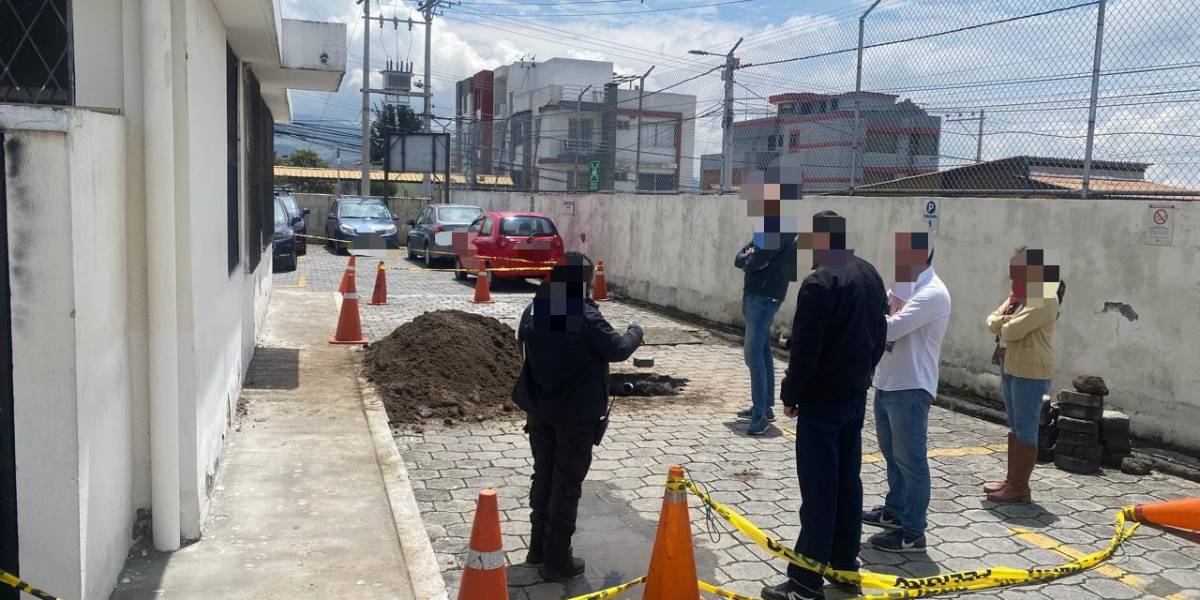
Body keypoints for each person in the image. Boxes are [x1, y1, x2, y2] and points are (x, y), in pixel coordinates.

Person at [762, 211, 889, 600]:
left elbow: (805, 350)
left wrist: (790, 394)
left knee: (819, 492)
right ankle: (844, 567)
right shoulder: (869, 274)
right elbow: (880, 334)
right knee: (848, 485)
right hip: (854, 396)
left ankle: (805, 581)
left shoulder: (820, 282)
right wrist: (864, 374)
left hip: (822, 402)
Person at [511, 251, 644, 580]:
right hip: (575, 416)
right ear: (583, 283)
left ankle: (537, 549)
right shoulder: (582, 313)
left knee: (544, 477)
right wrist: (636, 331)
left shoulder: (535, 309)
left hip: (540, 410)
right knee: (566, 485)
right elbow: (617, 348)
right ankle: (556, 561)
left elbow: (522, 346)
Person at [861, 232, 951, 553]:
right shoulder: (903, 287)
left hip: (912, 387)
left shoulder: (933, 293)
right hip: (887, 381)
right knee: (892, 455)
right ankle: (895, 512)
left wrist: (866, 316)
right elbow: (883, 314)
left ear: (922, 257)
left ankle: (913, 532)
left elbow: (889, 327)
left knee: (911, 460)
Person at [983, 247, 1063, 503]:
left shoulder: (1045, 295)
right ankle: (1011, 480)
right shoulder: (1020, 295)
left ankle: (1020, 487)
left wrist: (1003, 323)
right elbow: (991, 321)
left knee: (1026, 427)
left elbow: (1012, 330)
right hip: (1011, 364)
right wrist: (1003, 321)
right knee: (1015, 424)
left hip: (1031, 369)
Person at [734, 168, 801, 436]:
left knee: (752, 354)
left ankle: (760, 414)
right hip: (758, 293)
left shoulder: (780, 224)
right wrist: (748, 258)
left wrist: (749, 259)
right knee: (762, 351)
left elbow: (754, 259)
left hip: (764, 296)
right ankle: (764, 406)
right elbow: (744, 254)